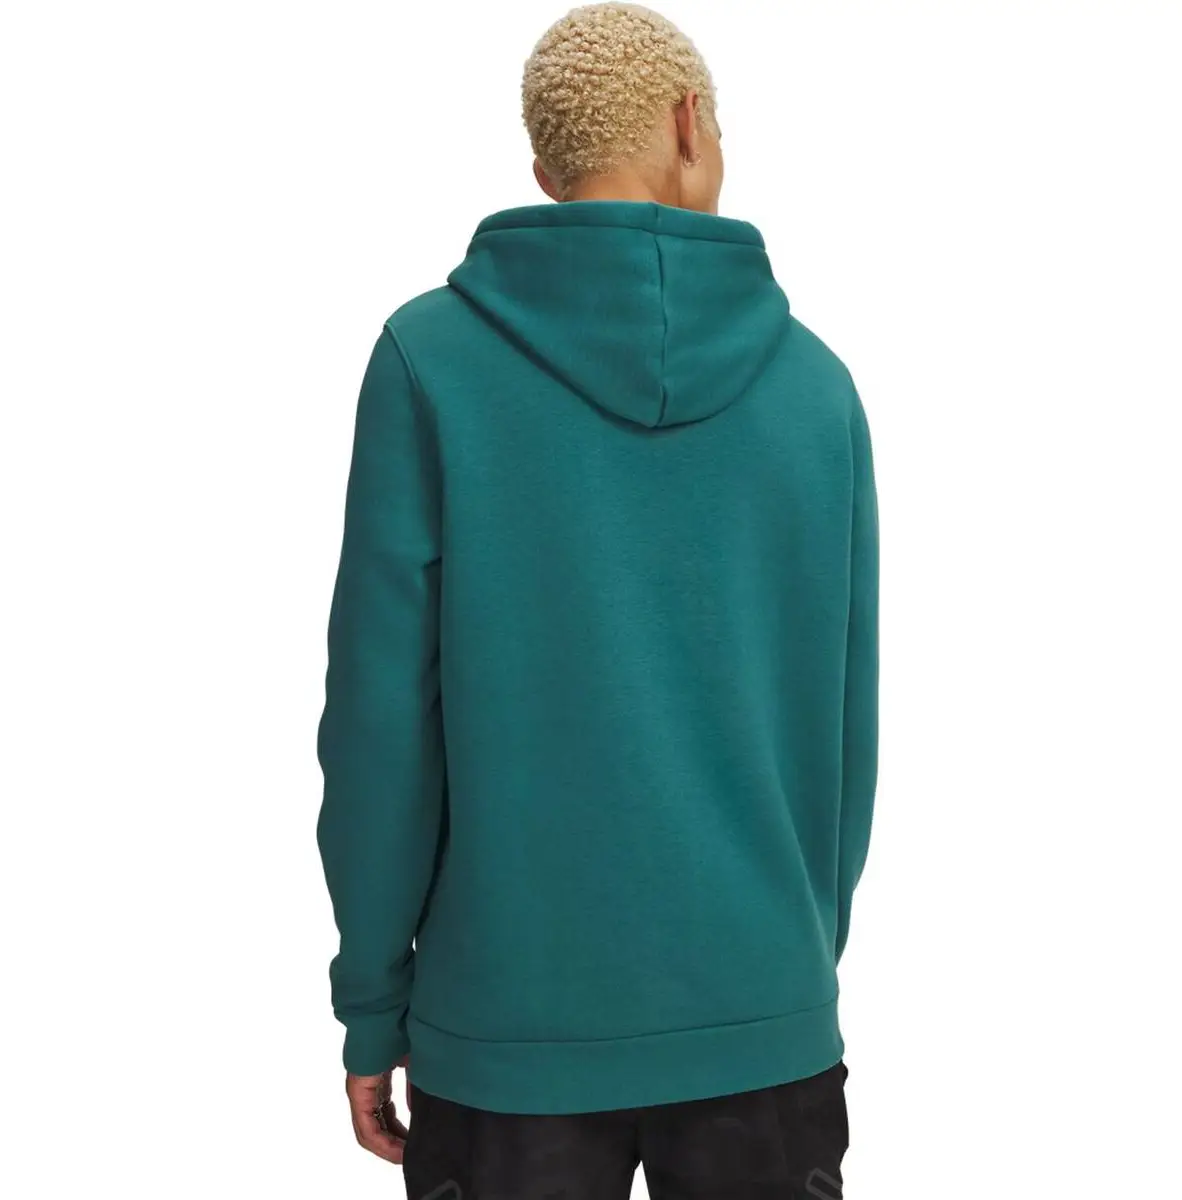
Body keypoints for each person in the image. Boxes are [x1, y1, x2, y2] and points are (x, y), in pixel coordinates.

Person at [316, 3, 880, 1196]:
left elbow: (379, 727)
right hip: (763, 1012)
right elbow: (844, 731)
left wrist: (373, 1003)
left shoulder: (427, 363)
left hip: (506, 1029)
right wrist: (781, 973)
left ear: (546, 177)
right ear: (689, 123)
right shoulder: (818, 390)